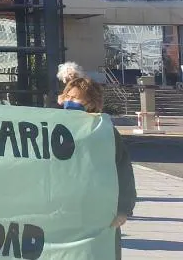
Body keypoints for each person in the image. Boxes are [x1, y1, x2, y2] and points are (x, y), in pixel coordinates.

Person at [59, 77, 135, 258]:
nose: (69, 101)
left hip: (96, 209)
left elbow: (123, 169)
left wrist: (124, 209)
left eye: (76, 98)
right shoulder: (57, 126)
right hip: (65, 209)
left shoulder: (104, 131)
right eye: (67, 96)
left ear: (91, 103)